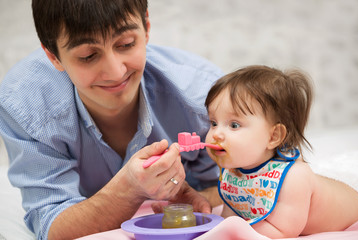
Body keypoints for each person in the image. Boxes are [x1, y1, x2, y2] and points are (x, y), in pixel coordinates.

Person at [0, 0, 223, 239]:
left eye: (126, 44)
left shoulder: (204, 97)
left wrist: (192, 195)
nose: (116, 73)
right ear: (53, 56)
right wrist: (129, 190)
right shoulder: (25, 106)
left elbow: (233, 186)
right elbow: (52, 224)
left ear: (146, 26)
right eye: (88, 56)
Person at [204, 65, 358, 238]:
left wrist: (231, 230)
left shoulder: (293, 178)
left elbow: (283, 231)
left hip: (353, 217)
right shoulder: (232, 171)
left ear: (273, 137)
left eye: (234, 125)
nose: (216, 134)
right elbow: (232, 212)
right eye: (213, 123)